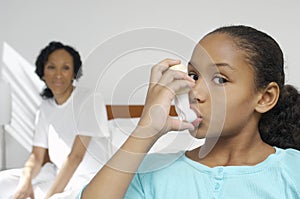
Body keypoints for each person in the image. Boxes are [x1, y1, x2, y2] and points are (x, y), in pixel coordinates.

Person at [77, 25, 300, 199]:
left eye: (220, 79)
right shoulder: (151, 173)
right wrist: (146, 129)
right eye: (193, 76)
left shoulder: (293, 171)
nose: (195, 92)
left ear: (265, 97)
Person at [0, 41, 111, 199]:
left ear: (74, 73)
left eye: (65, 68)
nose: (58, 74)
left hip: (88, 180)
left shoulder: (90, 100)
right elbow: (37, 156)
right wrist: (25, 182)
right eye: (52, 67)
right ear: (43, 72)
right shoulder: (45, 107)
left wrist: (50, 196)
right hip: (57, 174)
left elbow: (75, 157)